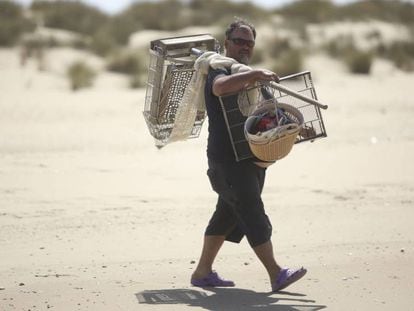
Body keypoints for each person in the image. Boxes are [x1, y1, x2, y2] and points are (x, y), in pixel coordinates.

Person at [190, 19, 307, 292]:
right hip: (226, 161)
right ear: (227, 43)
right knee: (253, 213)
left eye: (249, 43)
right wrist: (254, 75)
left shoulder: (249, 76)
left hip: (251, 159)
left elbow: (270, 112)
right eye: (239, 41)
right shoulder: (218, 68)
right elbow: (220, 88)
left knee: (227, 214)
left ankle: (202, 272)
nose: (244, 46)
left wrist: (296, 127)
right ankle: (276, 273)